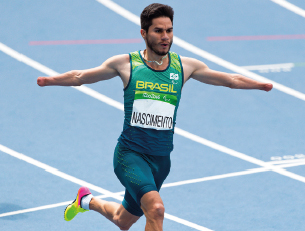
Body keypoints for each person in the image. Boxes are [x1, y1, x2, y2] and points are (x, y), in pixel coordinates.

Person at [37, 3, 273, 231]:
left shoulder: (184, 66)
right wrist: (50, 81)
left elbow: (231, 80)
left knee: (123, 220)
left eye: (169, 30)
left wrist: (260, 85)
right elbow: (80, 76)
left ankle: (85, 201)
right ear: (144, 33)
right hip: (130, 155)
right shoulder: (126, 64)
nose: (165, 37)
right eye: (158, 31)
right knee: (156, 209)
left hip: (161, 161)